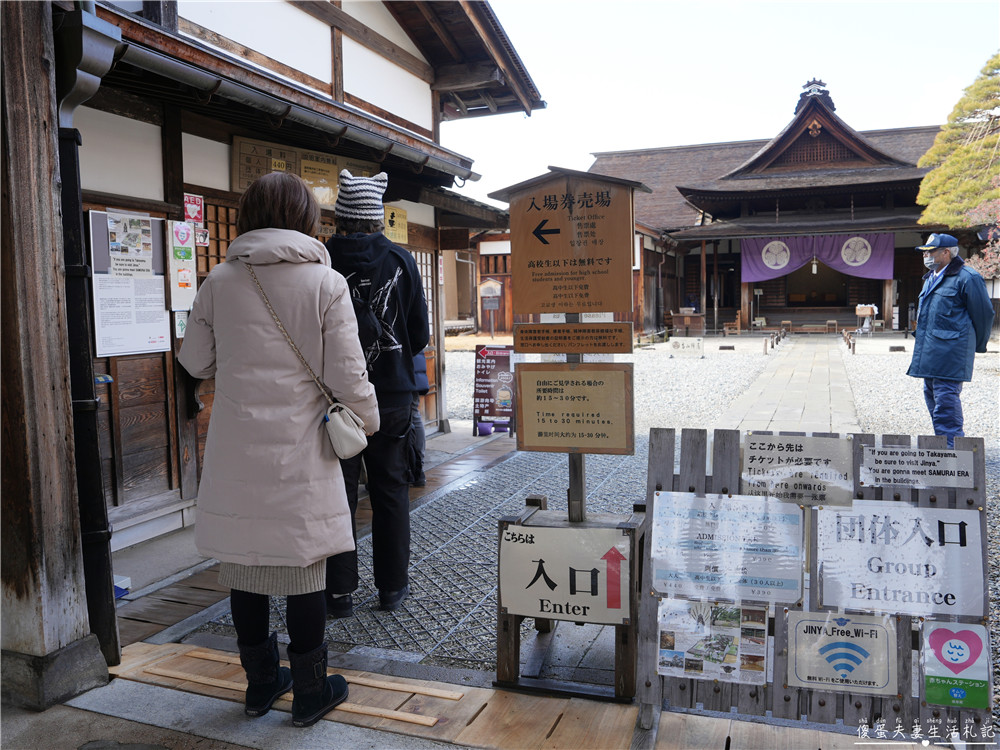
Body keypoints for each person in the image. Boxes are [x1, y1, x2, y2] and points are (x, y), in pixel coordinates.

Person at [178, 172, 379, 727]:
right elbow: (347, 373)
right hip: (303, 447)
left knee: (246, 564)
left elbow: (195, 362)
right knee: (303, 566)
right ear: (306, 220)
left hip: (237, 450)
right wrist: (369, 420)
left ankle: (261, 685)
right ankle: (312, 691)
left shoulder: (219, 280)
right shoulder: (325, 282)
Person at [324, 169, 430, 617]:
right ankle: (391, 588)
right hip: (391, 397)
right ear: (377, 217)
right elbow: (419, 335)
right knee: (390, 491)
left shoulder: (321, 260)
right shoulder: (402, 261)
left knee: (338, 494)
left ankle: (339, 593)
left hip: (336, 399)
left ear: (341, 217)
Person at [906, 233, 994, 448]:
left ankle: (952, 451)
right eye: (924, 252)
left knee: (946, 401)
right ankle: (943, 444)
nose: (925, 255)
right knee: (932, 398)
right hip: (931, 351)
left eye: (930, 251)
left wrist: (976, 345)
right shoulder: (931, 277)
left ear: (946, 252)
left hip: (952, 351)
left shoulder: (967, 277)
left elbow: (983, 315)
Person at [409, 351, 430, 487]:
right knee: (414, 413)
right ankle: (417, 467)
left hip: (404, 367)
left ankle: (415, 467)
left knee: (410, 413)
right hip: (413, 365)